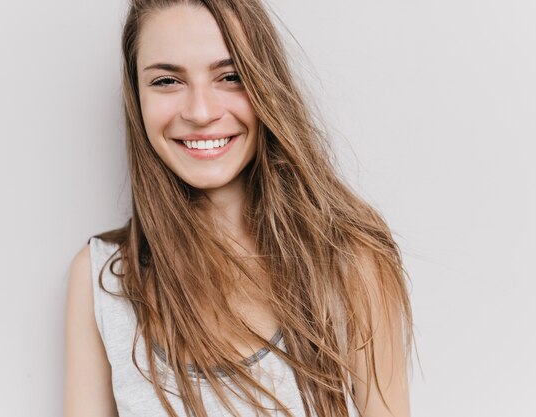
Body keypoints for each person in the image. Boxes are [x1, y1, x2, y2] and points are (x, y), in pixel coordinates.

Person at [64, 0, 413, 416]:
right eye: (166, 82)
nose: (200, 112)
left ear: (266, 83)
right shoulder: (101, 281)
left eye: (229, 76)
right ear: (136, 97)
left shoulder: (351, 263)